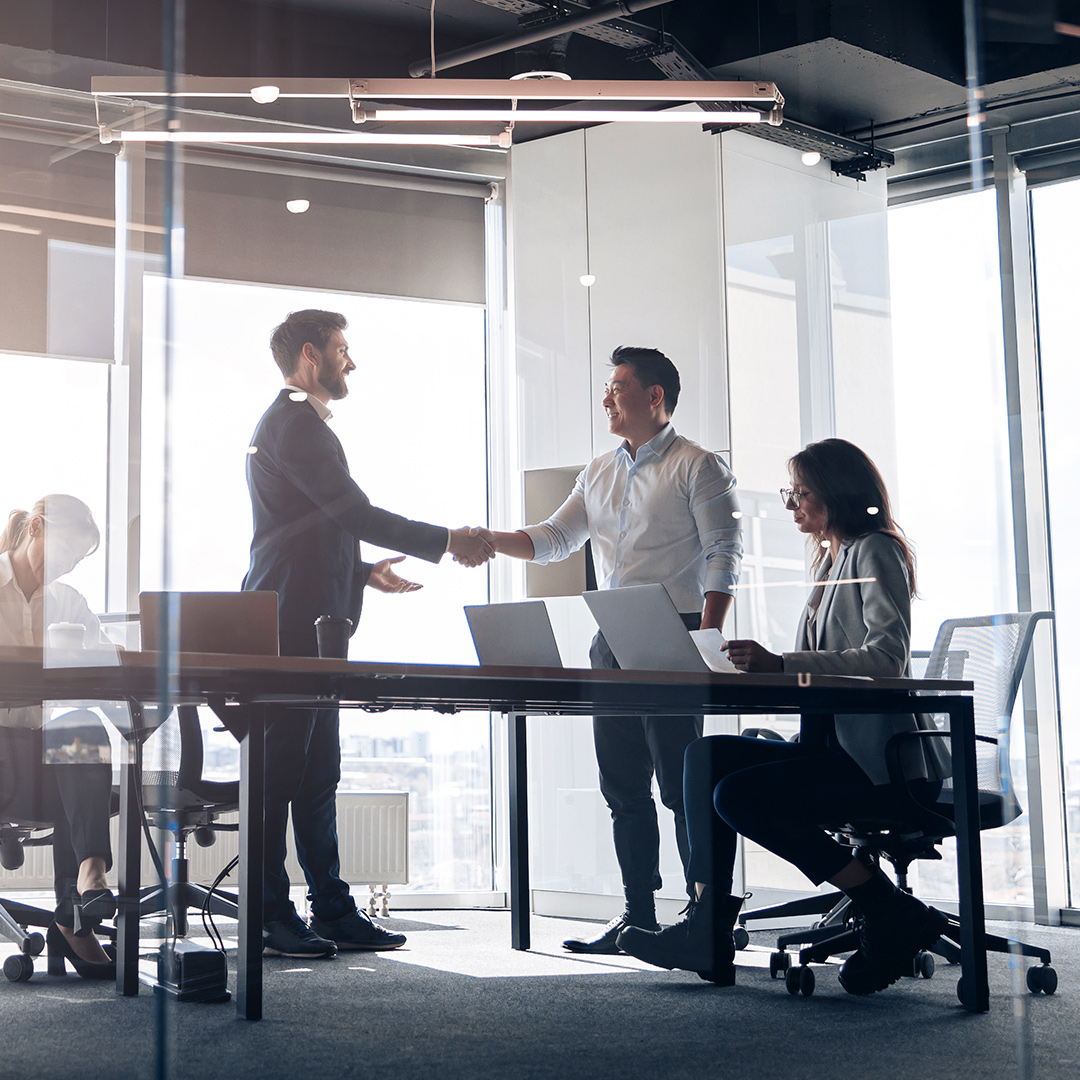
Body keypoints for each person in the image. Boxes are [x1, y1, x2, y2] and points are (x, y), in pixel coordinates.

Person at [618, 437, 950, 994]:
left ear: (835, 492)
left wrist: (782, 662)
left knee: (738, 796)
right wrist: (762, 668)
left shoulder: (875, 549)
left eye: (800, 492)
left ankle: (884, 906)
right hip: (828, 747)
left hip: (879, 766)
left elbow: (888, 658)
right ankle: (707, 928)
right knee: (707, 755)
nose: (791, 504)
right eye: (789, 493)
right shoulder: (829, 557)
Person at [243, 309, 493, 960]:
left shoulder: (299, 425)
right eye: (341, 350)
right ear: (309, 355)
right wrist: (446, 541)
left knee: (318, 768)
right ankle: (269, 914)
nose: (350, 363)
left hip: (315, 615)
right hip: (290, 620)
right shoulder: (294, 424)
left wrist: (358, 570)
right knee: (280, 772)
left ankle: (329, 908)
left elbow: (312, 526)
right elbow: (350, 509)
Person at [475, 346, 742, 953]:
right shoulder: (596, 471)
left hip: (674, 631)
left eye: (618, 386)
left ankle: (706, 916)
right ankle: (639, 915)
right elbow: (552, 540)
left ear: (655, 396)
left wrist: (706, 634)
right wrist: (488, 540)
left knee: (680, 787)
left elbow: (725, 551)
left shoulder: (698, 466)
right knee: (622, 785)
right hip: (612, 635)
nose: (606, 397)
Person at [0, 494, 118, 979]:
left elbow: (109, 663)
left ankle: (84, 892)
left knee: (81, 727)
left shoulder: (68, 601)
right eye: (67, 551)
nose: (67, 567)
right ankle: (75, 920)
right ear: (37, 529)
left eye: (76, 560)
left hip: (41, 762)